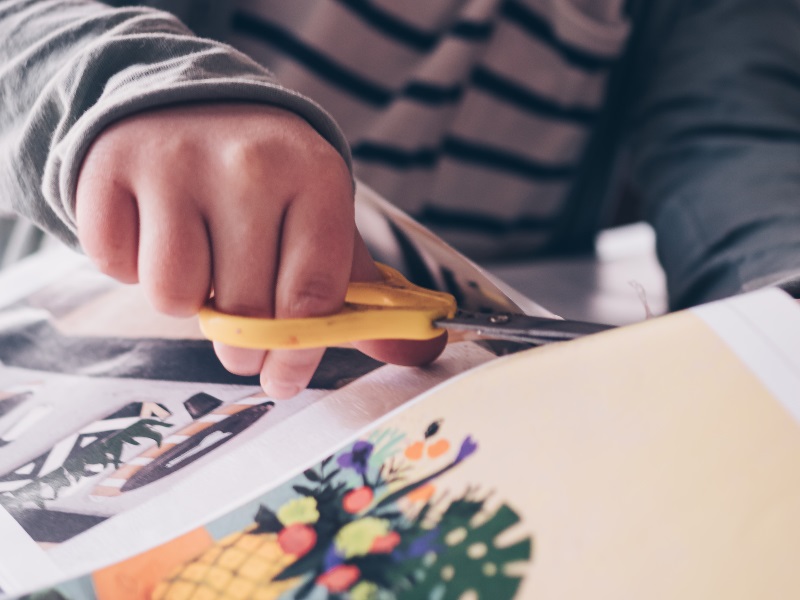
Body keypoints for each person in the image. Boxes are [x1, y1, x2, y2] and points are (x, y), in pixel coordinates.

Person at [0, 0, 798, 397]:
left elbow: (741, 143)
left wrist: (780, 306)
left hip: (481, 396)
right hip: (101, 355)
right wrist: (126, 88)